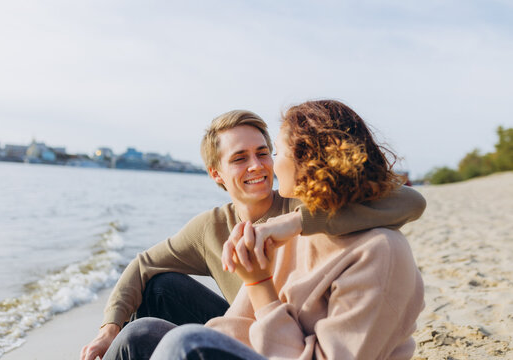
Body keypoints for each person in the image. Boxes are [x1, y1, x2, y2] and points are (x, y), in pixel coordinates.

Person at [81, 109, 426, 360]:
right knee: (145, 322)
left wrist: (292, 225)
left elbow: (409, 201)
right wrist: (109, 328)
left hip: (283, 333)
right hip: (261, 329)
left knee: (183, 344)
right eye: (241, 158)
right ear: (217, 174)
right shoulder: (213, 227)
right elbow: (145, 266)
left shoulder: (303, 217)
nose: (261, 165)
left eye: (268, 152)